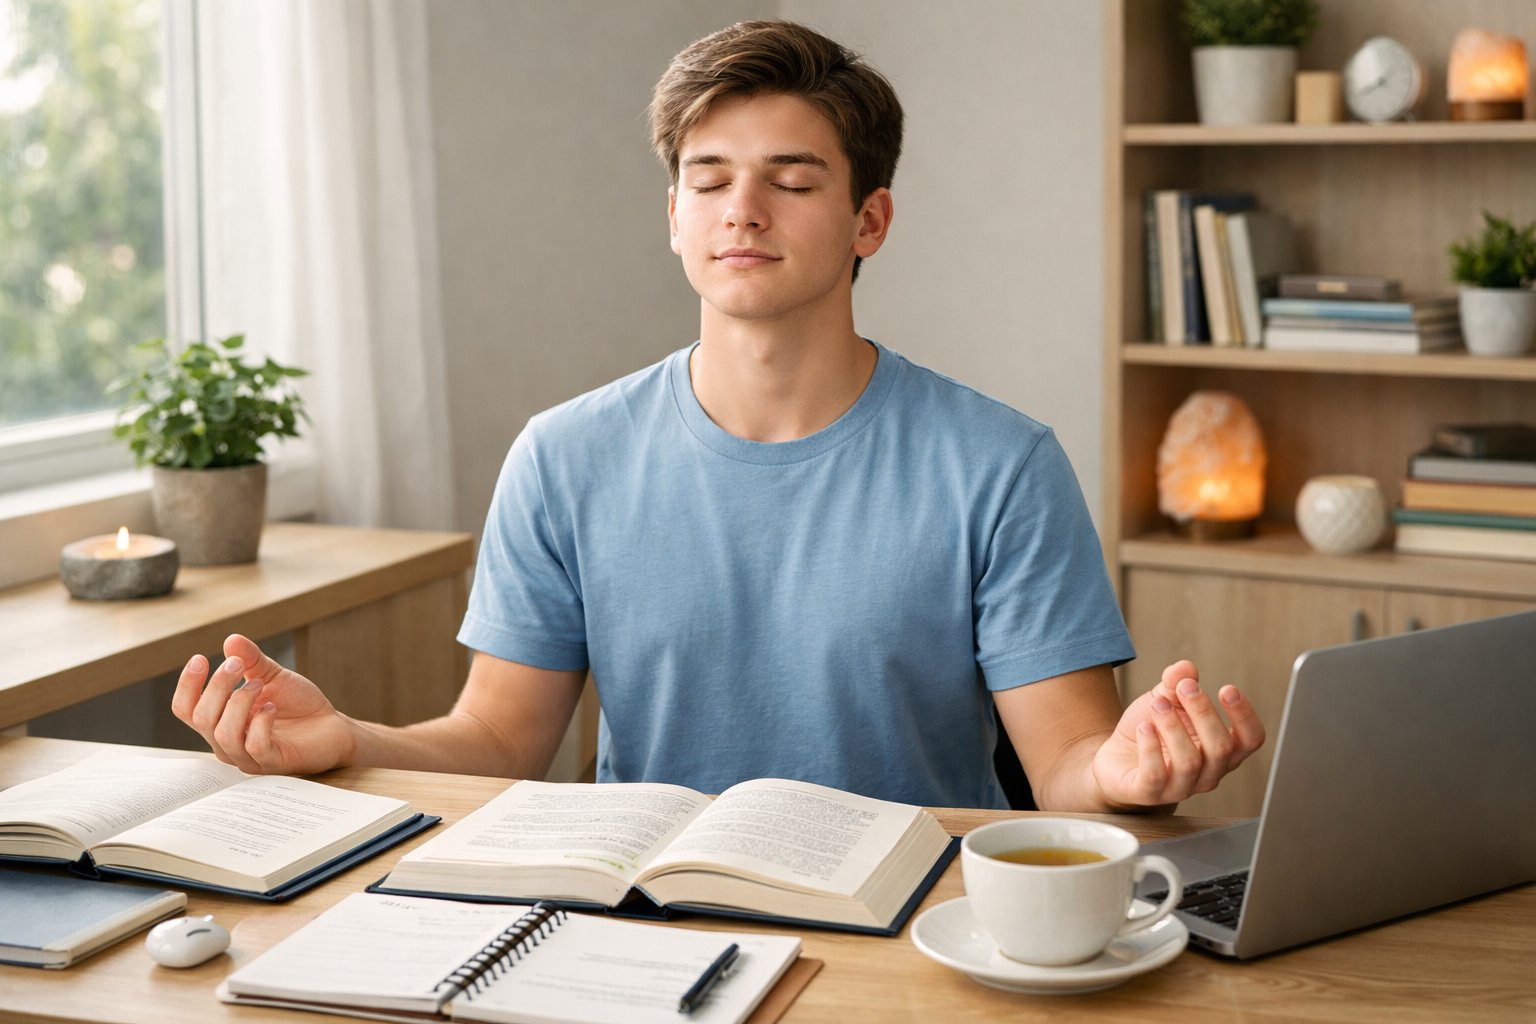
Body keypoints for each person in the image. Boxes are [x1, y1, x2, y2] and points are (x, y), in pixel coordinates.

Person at [172, 19, 1262, 812]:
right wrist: (345, 737)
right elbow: (499, 739)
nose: (742, 209)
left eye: (792, 180)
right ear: (675, 216)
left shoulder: (1003, 465)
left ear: (868, 219)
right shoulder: (564, 456)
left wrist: (1128, 774)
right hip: (646, 931)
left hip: (916, 938)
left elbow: (1069, 770)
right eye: (709, 179)